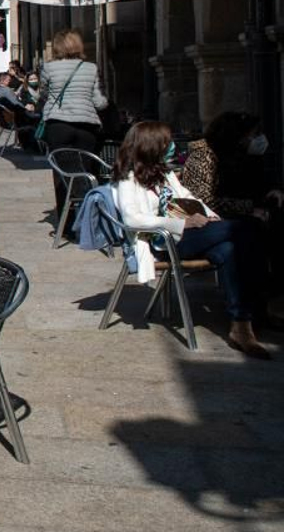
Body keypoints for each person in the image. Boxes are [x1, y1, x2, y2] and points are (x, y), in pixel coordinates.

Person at [112, 121, 270, 358]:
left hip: (190, 234)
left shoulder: (163, 172)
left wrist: (211, 217)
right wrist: (181, 223)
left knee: (229, 249)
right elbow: (132, 219)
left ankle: (241, 324)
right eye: (166, 142)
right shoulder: (128, 178)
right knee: (248, 229)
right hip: (163, 241)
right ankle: (258, 310)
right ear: (151, 145)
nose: (171, 146)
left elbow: (187, 197)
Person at [38, 28, 109, 225]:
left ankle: (65, 222)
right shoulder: (90, 68)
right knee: (88, 172)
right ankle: (90, 219)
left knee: (62, 174)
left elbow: (43, 95)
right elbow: (99, 102)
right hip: (87, 126)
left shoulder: (49, 68)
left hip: (58, 126)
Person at [181, 111, 280, 222]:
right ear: (238, 137)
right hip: (209, 220)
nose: (260, 138)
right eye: (254, 134)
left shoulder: (240, 155)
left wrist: (270, 192)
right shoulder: (203, 157)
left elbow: (250, 184)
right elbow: (203, 200)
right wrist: (249, 208)